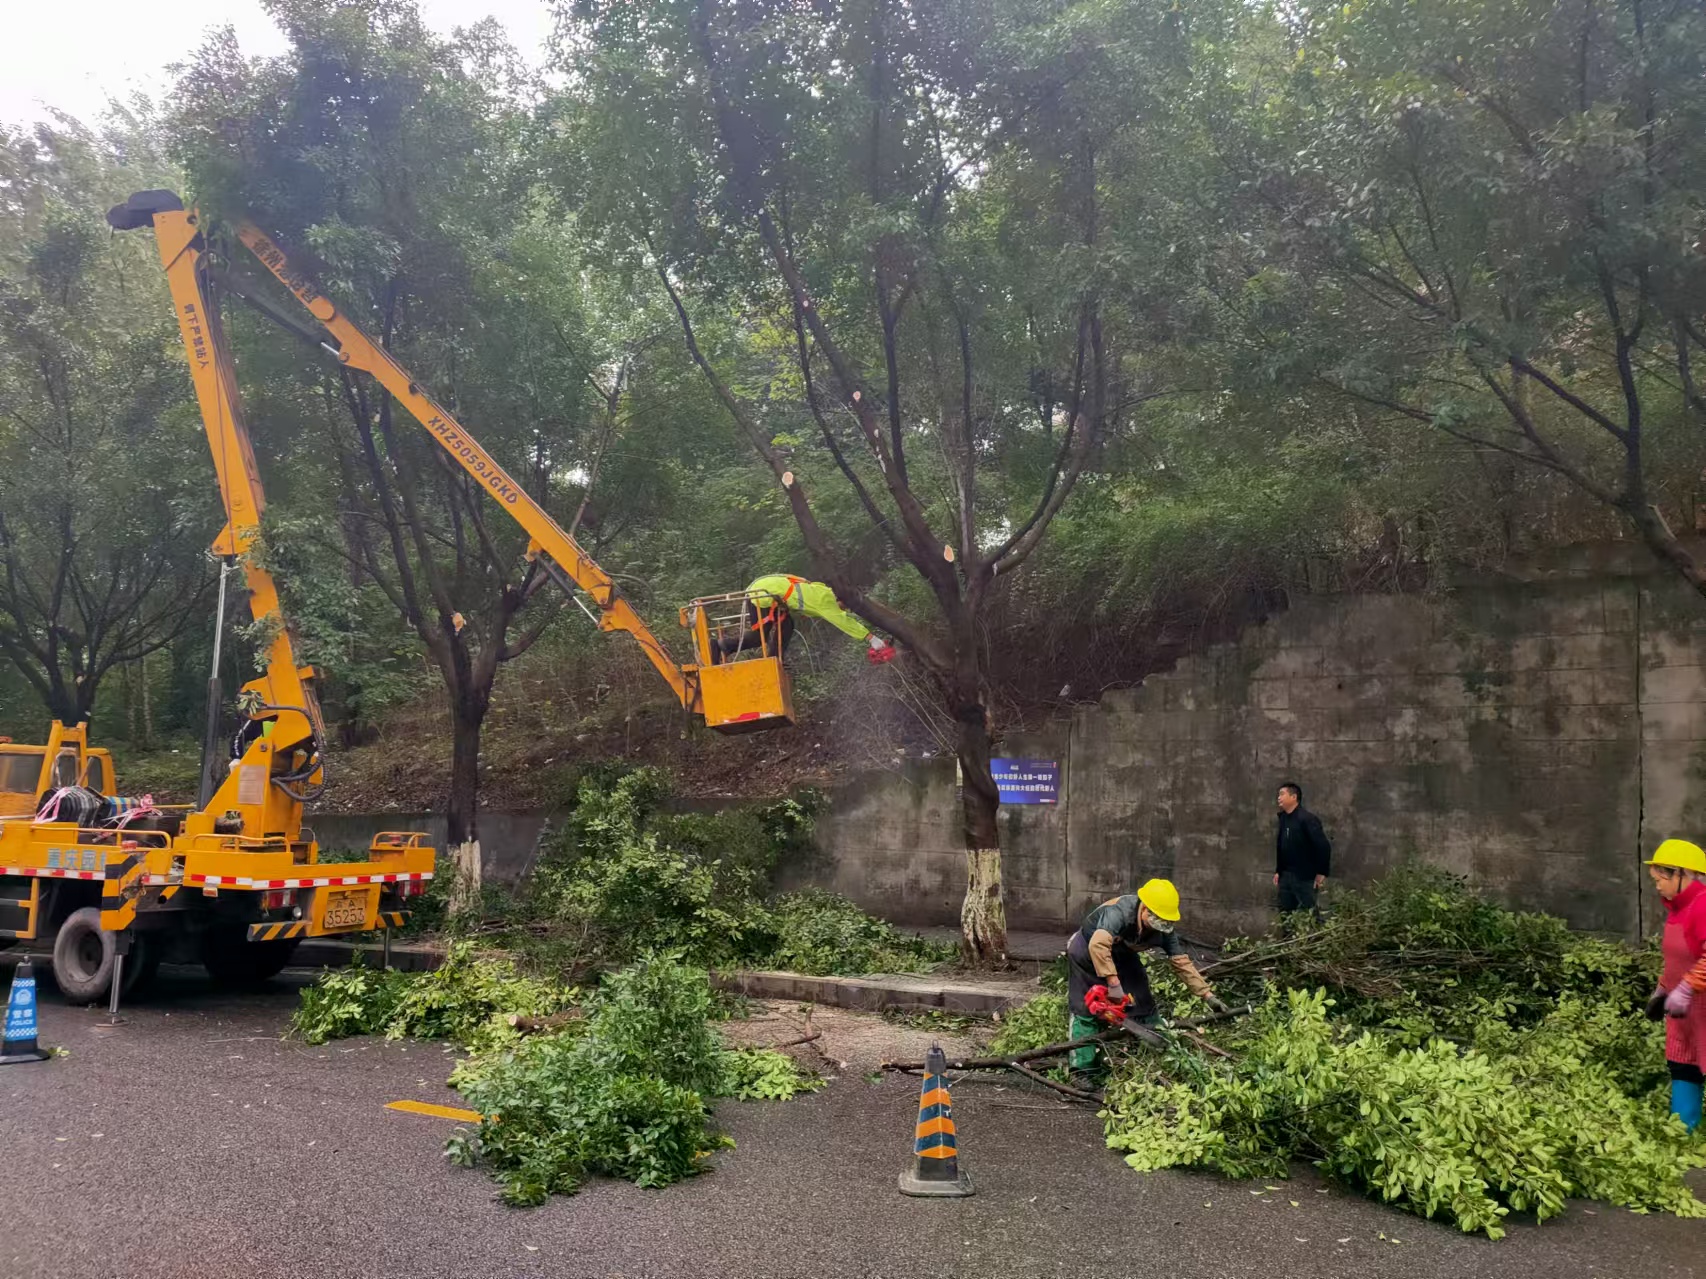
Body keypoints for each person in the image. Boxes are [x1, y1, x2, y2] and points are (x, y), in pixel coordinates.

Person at [1065, 878, 1227, 1082]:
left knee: (1141, 997)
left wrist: (1207, 995)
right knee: (1085, 1008)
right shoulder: (1119, 913)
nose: (1161, 926)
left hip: (1123, 956)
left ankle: (1158, 1046)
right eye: (1157, 918)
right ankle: (1082, 1070)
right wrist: (1114, 985)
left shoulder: (1164, 928)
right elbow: (1098, 945)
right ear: (1144, 909)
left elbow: (1181, 963)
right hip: (1086, 953)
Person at [1646, 838, 1706, 1133]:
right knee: (1684, 1065)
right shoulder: (1677, 910)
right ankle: (1683, 1131)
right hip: (1685, 1013)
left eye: (1661, 878)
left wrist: (1686, 988)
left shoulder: (1702, 906)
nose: (1657, 885)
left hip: (1701, 1007)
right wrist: (1663, 988)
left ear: (1681, 874)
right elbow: (1676, 959)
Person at [717, 574, 895, 664]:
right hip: (764, 595)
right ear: (840, 599)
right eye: (845, 606)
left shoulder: (824, 591)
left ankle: (774, 660)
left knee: (787, 626)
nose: (844, 609)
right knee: (758, 637)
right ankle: (724, 645)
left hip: (774, 594)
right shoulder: (826, 601)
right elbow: (843, 621)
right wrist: (872, 638)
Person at [1274, 781, 1331, 918]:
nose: (1278, 798)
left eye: (1282, 794)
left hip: (1304, 877)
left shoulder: (1307, 819)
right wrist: (1278, 870)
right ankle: (1287, 938)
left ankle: (1314, 939)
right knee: (1286, 915)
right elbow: (1282, 846)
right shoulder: (1284, 819)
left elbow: (1323, 846)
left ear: (1294, 797)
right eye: (1278, 795)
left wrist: (1322, 872)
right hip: (1286, 876)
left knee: (1310, 915)